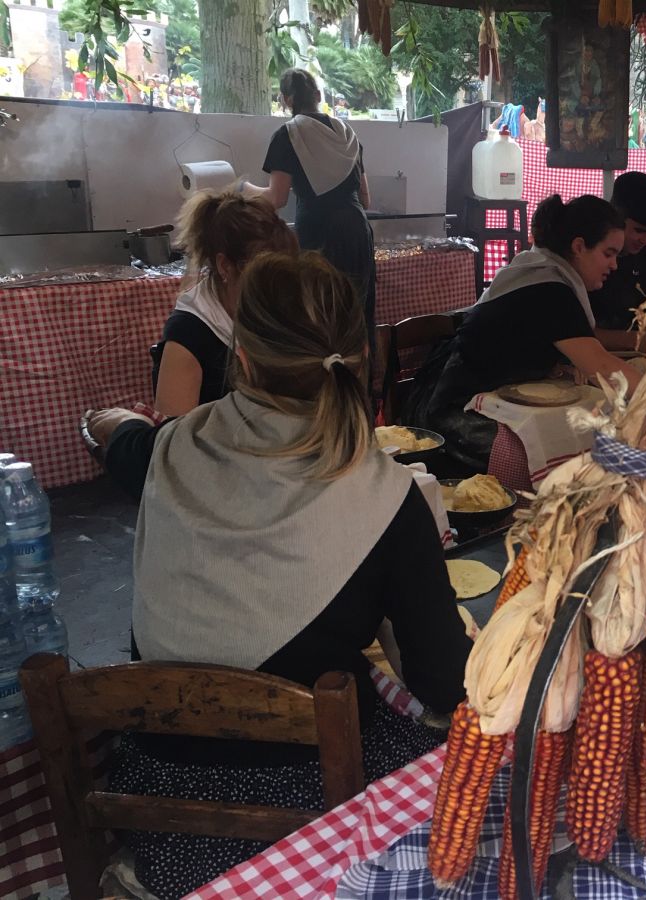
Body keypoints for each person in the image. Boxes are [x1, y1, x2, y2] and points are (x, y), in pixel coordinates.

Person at [100, 252, 472, 899]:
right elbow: (443, 684)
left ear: (239, 357)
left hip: (150, 798)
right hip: (316, 814)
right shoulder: (386, 493)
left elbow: (114, 433)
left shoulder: (167, 448)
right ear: (357, 358)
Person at [406, 195, 643, 471]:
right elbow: (601, 366)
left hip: (461, 397)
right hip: (452, 413)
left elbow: (588, 348)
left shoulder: (546, 274)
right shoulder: (549, 289)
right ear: (579, 247)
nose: (614, 266)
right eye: (608, 253)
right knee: (563, 452)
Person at [243, 68, 376, 336]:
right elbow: (366, 199)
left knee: (323, 317)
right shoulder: (347, 133)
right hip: (358, 231)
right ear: (317, 95)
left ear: (286, 100)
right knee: (357, 315)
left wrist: (243, 189)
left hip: (320, 235)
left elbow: (276, 199)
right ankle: (360, 372)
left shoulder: (288, 135)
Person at [153, 191, 299, 417]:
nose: (276, 292)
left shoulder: (275, 313)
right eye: (261, 278)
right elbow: (171, 439)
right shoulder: (190, 335)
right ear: (225, 267)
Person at [589, 172, 646, 333]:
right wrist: (640, 341)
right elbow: (581, 331)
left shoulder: (640, 254)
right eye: (639, 231)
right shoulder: (589, 258)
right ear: (616, 218)